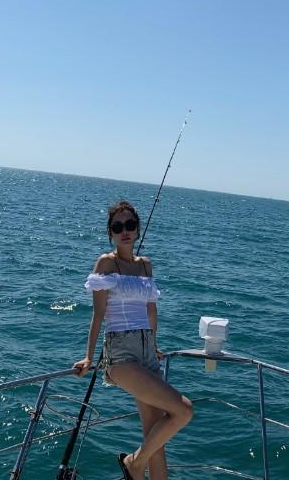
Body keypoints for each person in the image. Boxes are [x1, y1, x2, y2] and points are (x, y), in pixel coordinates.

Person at [73, 200, 193, 480]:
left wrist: (155, 344)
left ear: (137, 229)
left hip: (147, 351)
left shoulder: (145, 266)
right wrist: (89, 357)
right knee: (183, 411)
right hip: (121, 353)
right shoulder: (106, 263)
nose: (124, 231)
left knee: (156, 441)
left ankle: (137, 465)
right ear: (110, 233)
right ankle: (134, 463)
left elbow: (151, 310)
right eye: (118, 227)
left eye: (130, 225)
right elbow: (98, 314)